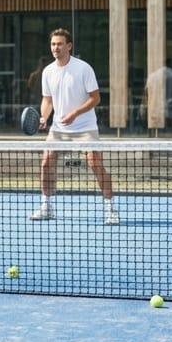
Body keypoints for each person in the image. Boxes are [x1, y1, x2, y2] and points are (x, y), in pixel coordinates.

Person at [29, 28, 118, 225]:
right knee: (46, 164)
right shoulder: (48, 71)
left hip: (85, 127)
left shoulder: (83, 68)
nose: (55, 48)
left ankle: (111, 209)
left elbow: (96, 98)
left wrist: (75, 113)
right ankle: (46, 207)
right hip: (58, 129)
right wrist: (44, 117)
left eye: (59, 44)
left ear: (69, 46)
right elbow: (47, 100)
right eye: (53, 44)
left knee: (96, 164)